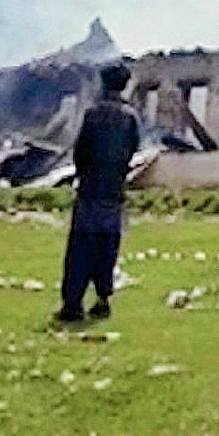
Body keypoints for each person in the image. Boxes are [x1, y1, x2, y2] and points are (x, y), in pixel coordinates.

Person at [56, 63, 140, 322]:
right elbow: (132, 151)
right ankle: (103, 299)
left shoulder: (93, 114)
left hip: (91, 191)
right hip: (114, 192)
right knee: (107, 246)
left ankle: (73, 305)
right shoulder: (130, 118)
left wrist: (84, 175)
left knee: (81, 248)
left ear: (104, 84)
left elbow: (80, 152)